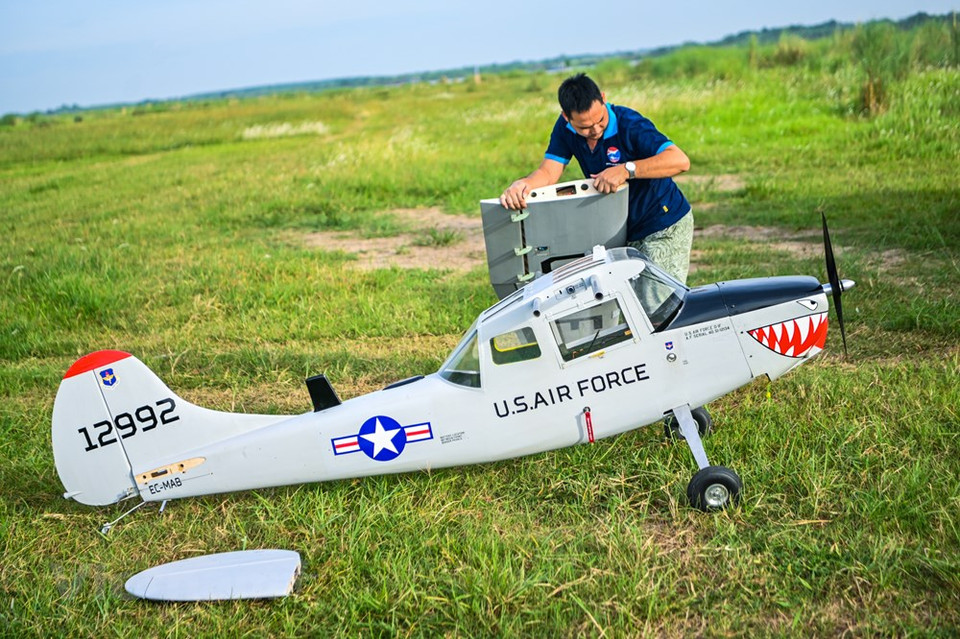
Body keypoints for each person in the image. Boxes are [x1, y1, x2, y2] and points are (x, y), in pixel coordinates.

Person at [500, 73, 694, 284]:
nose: (595, 130)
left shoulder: (630, 124)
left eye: (600, 120)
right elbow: (548, 173)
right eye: (584, 127)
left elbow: (680, 160)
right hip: (620, 230)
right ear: (566, 117)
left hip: (662, 223)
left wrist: (626, 169)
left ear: (603, 98)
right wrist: (524, 184)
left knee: (658, 298)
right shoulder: (565, 129)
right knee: (619, 297)